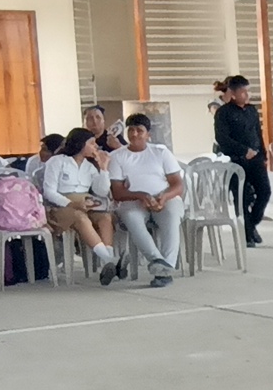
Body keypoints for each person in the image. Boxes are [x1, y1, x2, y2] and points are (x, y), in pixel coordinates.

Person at [108, 116, 184, 287]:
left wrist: (163, 197)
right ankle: (157, 261)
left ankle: (166, 266)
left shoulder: (160, 152)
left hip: (164, 198)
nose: (134, 134)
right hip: (133, 200)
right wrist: (141, 196)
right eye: (131, 130)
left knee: (171, 216)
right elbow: (117, 192)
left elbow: (178, 185)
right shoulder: (117, 156)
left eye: (139, 130)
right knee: (130, 216)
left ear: (148, 134)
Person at [40, 127, 121, 284]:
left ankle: (109, 263)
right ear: (80, 144)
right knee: (80, 218)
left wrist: (103, 168)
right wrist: (72, 203)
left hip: (85, 203)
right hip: (61, 206)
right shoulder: (57, 161)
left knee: (105, 217)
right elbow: (49, 192)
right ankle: (110, 261)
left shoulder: (89, 166)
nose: (95, 147)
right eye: (91, 143)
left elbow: (101, 191)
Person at [213, 75, 270, 247]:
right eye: (243, 92)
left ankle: (251, 224)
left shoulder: (252, 111)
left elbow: (258, 133)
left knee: (264, 192)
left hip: (256, 159)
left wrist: (263, 155)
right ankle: (247, 235)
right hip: (235, 160)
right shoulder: (223, 113)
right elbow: (222, 138)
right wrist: (244, 151)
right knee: (242, 198)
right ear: (233, 93)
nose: (247, 95)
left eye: (248, 91)